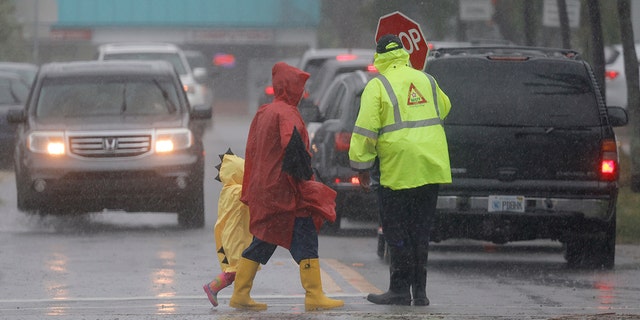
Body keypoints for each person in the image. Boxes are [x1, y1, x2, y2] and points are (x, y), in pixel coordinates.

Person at [229, 62, 344, 312]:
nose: (303, 93)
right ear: (291, 88)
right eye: (300, 87)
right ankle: (314, 295)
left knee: (265, 238)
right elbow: (291, 147)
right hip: (285, 190)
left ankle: (240, 293)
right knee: (305, 235)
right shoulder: (287, 113)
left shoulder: (265, 111)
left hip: (266, 187)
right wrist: (306, 176)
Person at [348, 34, 452, 306]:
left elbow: (365, 130)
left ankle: (398, 289)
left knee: (397, 230)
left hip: (398, 168)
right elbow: (445, 106)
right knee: (420, 230)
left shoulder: (378, 85)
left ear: (379, 56)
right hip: (431, 164)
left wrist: (362, 166)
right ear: (403, 53)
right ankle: (420, 292)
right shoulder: (426, 79)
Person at [203, 150, 253, 307]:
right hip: (235, 237)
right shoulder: (237, 190)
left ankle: (237, 295)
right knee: (238, 269)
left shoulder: (229, 189)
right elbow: (251, 198)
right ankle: (213, 287)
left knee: (239, 269)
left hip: (234, 234)